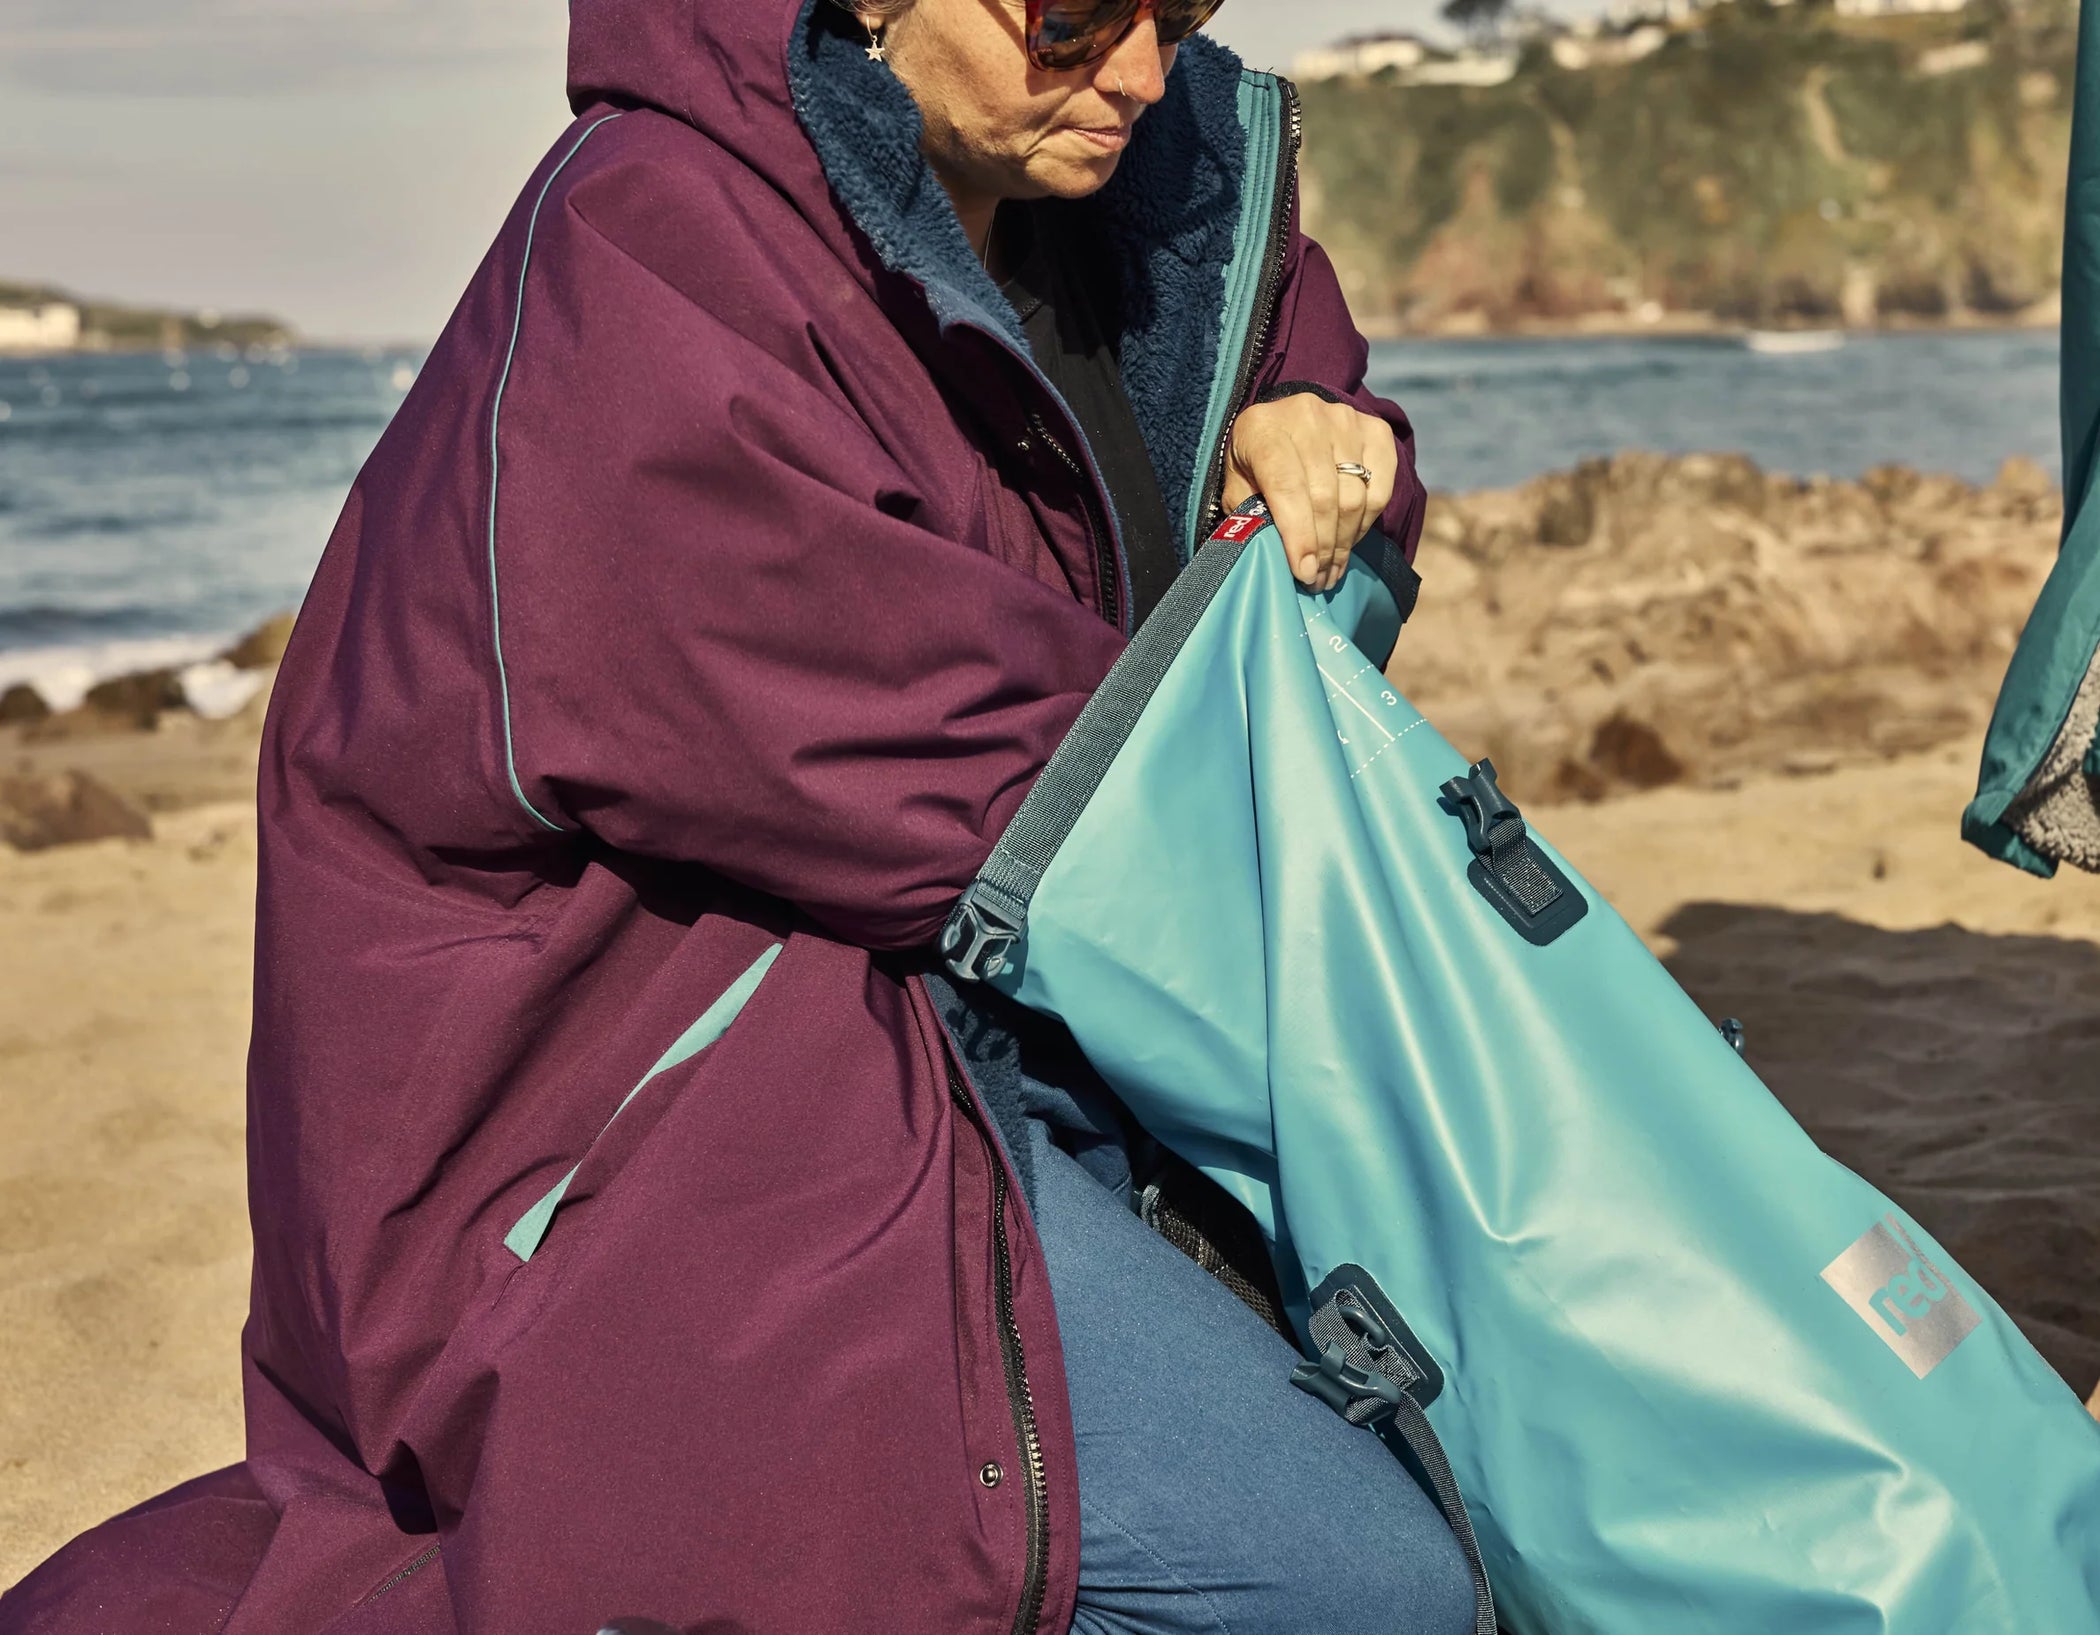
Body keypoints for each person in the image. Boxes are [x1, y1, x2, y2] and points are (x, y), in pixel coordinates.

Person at [0, 3, 1469, 1634]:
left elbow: (1286, 396)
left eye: (1180, 8)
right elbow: (963, 766)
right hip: (650, 1095)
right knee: (1350, 1587)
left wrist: (1320, 438)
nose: (1137, 73)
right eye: (1067, 19)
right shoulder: (652, 240)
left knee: (1490, 1477)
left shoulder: (1142, 206)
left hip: (1003, 1011)